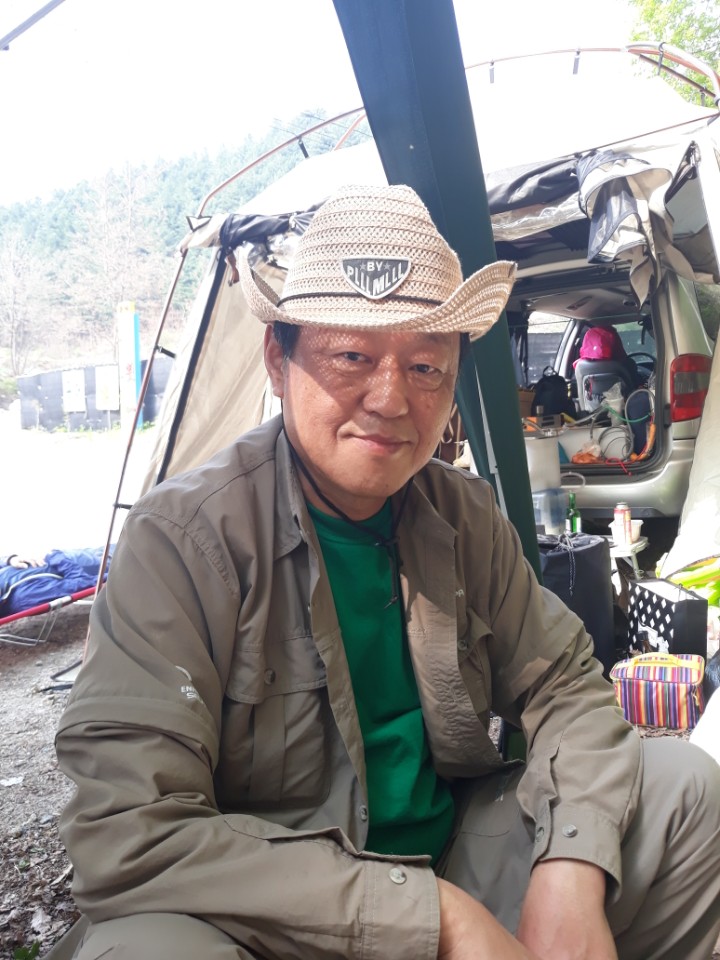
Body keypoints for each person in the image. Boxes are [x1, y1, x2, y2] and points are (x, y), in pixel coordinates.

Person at [52, 185, 720, 960]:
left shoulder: (461, 515)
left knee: (681, 789)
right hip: (266, 918)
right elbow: (126, 831)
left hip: (451, 857)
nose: (391, 399)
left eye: (426, 366)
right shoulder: (183, 542)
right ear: (278, 359)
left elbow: (567, 688)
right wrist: (434, 919)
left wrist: (571, 867)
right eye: (352, 357)